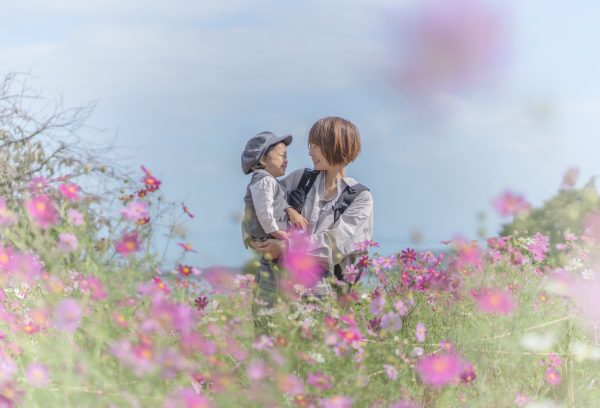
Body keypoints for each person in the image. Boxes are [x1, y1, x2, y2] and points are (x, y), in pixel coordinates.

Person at [246, 117, 373, 333]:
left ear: (335, 146)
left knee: (310, 355)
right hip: (274, 279)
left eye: (315, 146)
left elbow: (338, 245)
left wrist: (286, 248)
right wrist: (285, 211)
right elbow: (261, 199)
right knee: (266, 351)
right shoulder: (300, 179)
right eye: (310, 146)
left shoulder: (359, 198)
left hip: (320, 287)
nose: (310, 151)